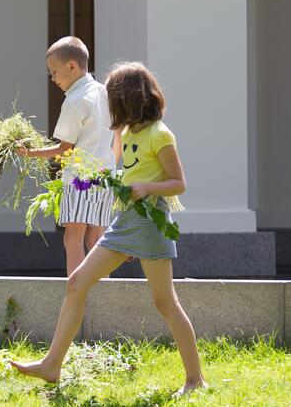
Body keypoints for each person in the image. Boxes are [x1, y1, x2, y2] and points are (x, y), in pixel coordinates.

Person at [11, 62, 207, 394]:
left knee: (165, 302)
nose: (108, 104)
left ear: (128, 99)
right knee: (76, 284)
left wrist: (147, 187)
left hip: (149, 224)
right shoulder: (127, 132)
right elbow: (125, 173)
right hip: (125, 222)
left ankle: (195, 380)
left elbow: (179, 184)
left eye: (112, 98)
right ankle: (52, 365)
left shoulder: (160, 134)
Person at [16, 36, 117, 275]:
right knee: (97, 240)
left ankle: (77, 294)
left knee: (73, 238)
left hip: (81, 179)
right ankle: (103, 292)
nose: (53, 79)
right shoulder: (104, 92)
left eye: (54, 72)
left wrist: (29, 152)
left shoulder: (74, 101)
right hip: (106, 175)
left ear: (71, 66)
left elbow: (64, 149)